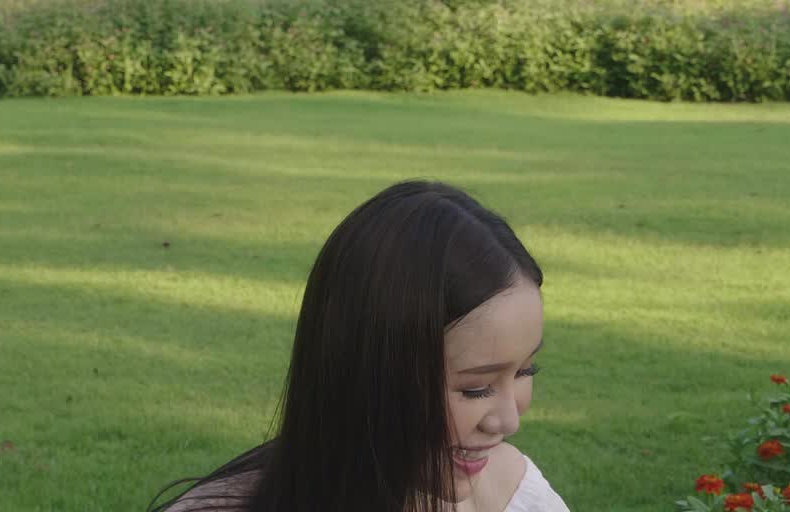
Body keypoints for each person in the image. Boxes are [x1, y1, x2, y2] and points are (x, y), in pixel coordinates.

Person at [148, 181, 568, 512]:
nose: (508, 420)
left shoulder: (519, 496)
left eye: (524, 372)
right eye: (475, 388)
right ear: (369, 374)